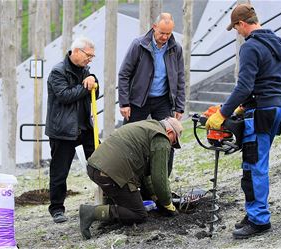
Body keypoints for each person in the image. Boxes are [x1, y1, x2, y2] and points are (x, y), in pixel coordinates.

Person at [205, 3, 281, 239]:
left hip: (261, 112)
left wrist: (223, 113)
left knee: (254, 165)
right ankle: (253, 212)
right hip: (276, 107)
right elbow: (265, 80)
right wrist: (243, 106)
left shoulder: (250, 47)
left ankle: (259, 219)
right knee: (254, 163)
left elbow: (244, 85)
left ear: (242, 24)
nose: (237, 33)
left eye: (236, 28)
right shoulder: (274, 42)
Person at [79, 117, 183, 240]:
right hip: (109, 175)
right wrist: (168, 204)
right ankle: (91, 212)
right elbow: (159, 180)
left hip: (95, 167)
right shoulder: (161, 138)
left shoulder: (148, 126)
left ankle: (108, 208)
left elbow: (146, 176)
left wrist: (155, 197)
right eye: (174, 141)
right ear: (170, 133)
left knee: (128, 199)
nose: (171, 146)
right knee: (138, 214)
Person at [118, 12, 185, 175]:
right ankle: (127, 179)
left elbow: (180, 78)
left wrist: (179, 106)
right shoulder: (139, 45)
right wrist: (124, 103)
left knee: (169, 138)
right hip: (139, 100)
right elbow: (124, 74)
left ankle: (163, 181)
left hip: (163, 100)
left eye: (169, 34)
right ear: (154, 27)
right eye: (162, 33)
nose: (165, 37)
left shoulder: (175, 48)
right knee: (129, 138)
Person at [45, 36, 99, 223]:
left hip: (85, 127)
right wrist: (86, 86)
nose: (90, 60)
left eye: (92, 57)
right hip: (62, 130)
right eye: (88, 55)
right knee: (60, 171)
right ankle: (57, 209)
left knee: (101, 162)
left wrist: (93, 79)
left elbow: (94, 92)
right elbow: (65, 96)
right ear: (76, 51)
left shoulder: (85, 70)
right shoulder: (57, 72)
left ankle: (109, 198)